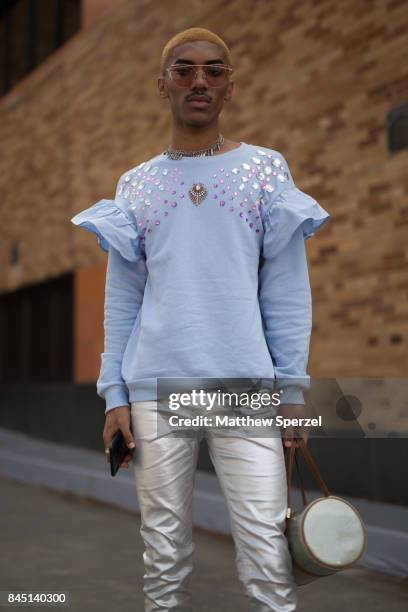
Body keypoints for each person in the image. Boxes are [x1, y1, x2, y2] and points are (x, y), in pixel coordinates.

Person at [71, 27, 330, 612]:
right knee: (162, 557)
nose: (199, 80)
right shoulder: (135, 186)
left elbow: (287, 292)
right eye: (184, 69)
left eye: (214, 70)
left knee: (267, 550)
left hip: (244, 387)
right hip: (157, 389)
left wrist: (291, 391)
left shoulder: (264, 173)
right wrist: (114, 395)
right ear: (162, 83)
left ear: (230, 86)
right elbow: (123, 300)